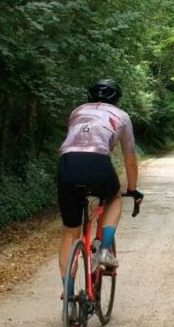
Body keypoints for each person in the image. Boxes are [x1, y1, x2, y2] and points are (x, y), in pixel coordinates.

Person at [57, 79, 144, 297]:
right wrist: (132, 190)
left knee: (70, 233)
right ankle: (104, 250)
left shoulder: (77, 112)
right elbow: (130, 159)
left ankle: (68, 294)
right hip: (98, 163)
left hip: (67, 165)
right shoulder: (122, 116)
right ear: (116, 99)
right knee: (114, 198)